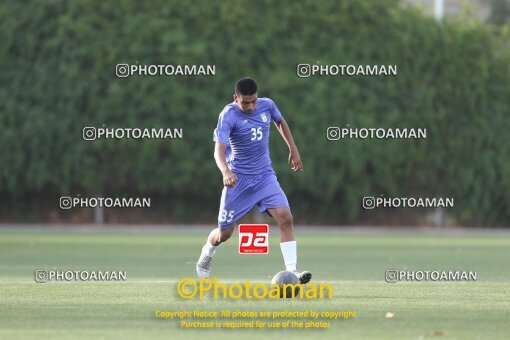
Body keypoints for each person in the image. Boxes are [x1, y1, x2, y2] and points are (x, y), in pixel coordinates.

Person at [196, 77, 311, 284]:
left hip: (265, 176)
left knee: (286, 217)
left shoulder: (267, 105)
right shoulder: (228, 115)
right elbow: (218, 151)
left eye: (253, 101)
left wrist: (293, 149)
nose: (250, 106)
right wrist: (226, 172)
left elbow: (280, 122)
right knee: (225, 233)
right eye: (245, 102)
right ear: (235, 98)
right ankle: (206, 254)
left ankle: (292, 272)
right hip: (238, 181)